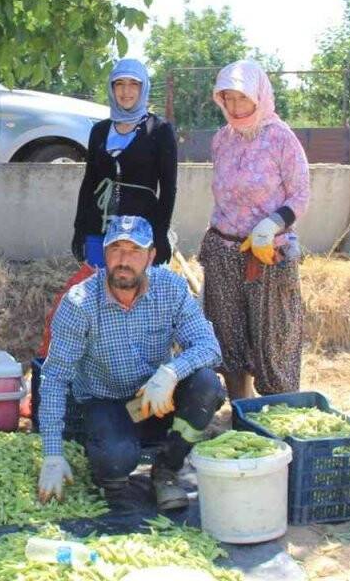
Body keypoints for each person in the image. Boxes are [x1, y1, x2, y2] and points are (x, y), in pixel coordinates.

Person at [37, 215, 225, 511]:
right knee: (114, 459)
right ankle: (113, 479)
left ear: (151, 256)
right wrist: (52, 453)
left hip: (159, 399)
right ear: (104, 254)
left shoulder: (171, 289)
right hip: (108, 402)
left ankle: (166, 468)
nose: (124, 260)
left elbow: (209, 346)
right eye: (116, 250)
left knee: (207, 386)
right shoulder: (80, 303)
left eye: (135, 251)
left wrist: (170, 372)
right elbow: (55, 377)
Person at [198, 59, 310, 400]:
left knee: (273, 341)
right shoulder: (222, 140)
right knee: (228, 339)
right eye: (227, 98)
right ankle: (242, 416)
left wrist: (272, 224)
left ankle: (277, 418)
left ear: (259, 96)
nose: (234, 107)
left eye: (241, 98)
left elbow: (301, 193)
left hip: (267, 255)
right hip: (224, 252)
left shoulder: (281, 139)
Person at [72, 59, 178, 268]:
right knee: (100, 288)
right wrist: (79, 228)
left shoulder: (159, 130)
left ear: (143, 87)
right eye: (119, 83)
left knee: (133, 291)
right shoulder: (100, 130)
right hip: (98, 227)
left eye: (133, 84)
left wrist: (160, 233)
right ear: (112, 88)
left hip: (138, 231)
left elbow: (168, 188)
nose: (126, 91)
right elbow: (89, 182)